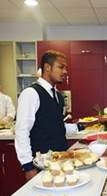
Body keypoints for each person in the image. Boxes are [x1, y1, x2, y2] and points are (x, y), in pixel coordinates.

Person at [15, 50, 79, 180]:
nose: (65, 71)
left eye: (65, 68)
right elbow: (22, 131)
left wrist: (81, 127)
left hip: (60, 162)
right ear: (47, 67)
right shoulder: (31, 93)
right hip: (41, 165)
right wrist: (27, 166)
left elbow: (55, 126)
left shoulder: (58, 96)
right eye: (61, 67)